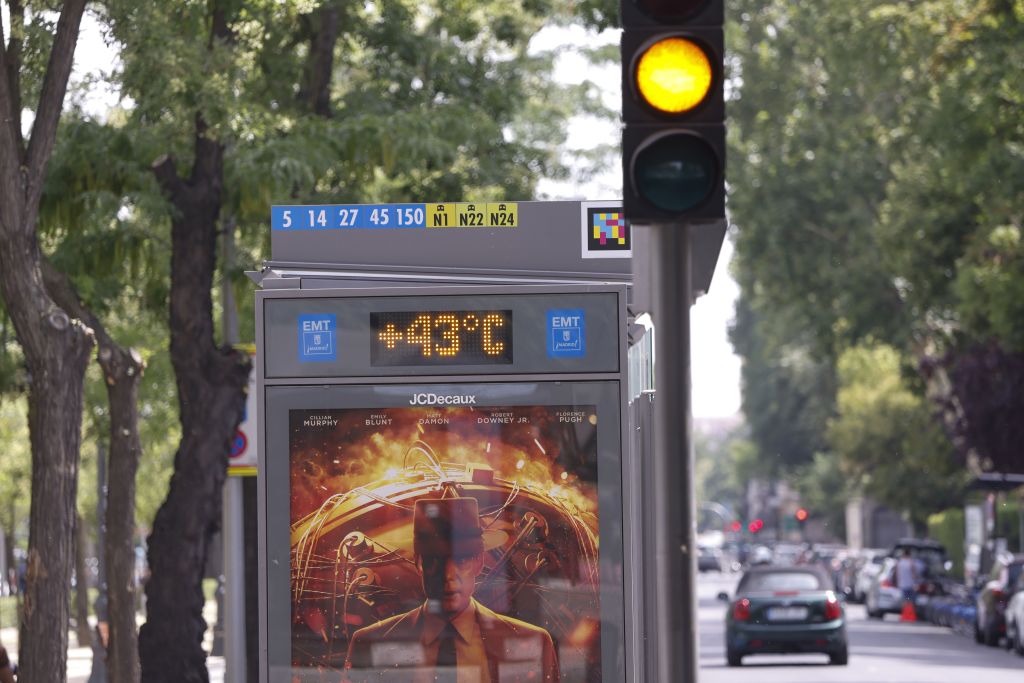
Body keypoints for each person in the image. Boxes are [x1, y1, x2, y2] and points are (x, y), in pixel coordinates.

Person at [345, 497, 559, 683]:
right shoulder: (370, 642)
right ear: (419, 564)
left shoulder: (533, 644)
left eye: (461, 559)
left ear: (479, 563)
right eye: (435, 560)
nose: (448, 575)